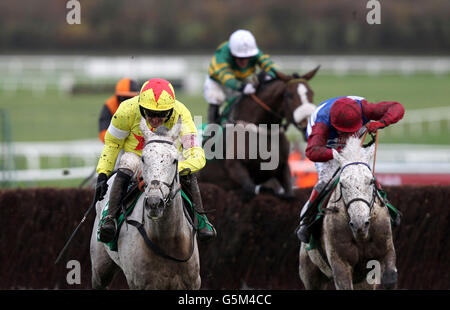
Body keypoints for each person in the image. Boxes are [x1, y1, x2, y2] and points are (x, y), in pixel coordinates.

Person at [95, 78, 217, 243]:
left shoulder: (182, 113)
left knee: (189, 173)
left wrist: (172, 168)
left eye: (161, 114)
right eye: (150, 113)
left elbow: (196, 155)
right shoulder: (126, 110)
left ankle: (202, 220)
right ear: (141, 107)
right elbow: (112, 144)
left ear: (170, 110)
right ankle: (109, 218)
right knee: (127, 163)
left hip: (168, 159)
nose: (155, 119)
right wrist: (103, 173)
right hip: (138, 157)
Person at [296, 96, 405, 243]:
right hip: (325, 144)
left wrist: (381, 123)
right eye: (343, 131)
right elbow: (312, 152)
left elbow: (397, 107)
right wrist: (335, 153)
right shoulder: (321, 122)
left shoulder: (365, 109)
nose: (347, 136)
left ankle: (386, 205)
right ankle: (307, 221)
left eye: (350, 131)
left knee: (361, 172)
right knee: (327, 179)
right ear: (334, 124)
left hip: (345, 125)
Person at [203, 29, 279, 126]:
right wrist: (242, 87)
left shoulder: (255, 52)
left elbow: (268, 64)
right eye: (241, 58)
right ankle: (211, 130)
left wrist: (272, 75)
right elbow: (225, 77)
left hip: (240, 79)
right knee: (216, 98)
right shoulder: (223, 53)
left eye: (248, 57)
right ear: (232, 53)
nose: (244, 61)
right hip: (217, 81)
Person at [98, 78, 139, 143]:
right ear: (117, 97)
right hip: (116, 144)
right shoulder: (110, 106)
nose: (126, 102)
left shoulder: (143, 106)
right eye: (123, 98)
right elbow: (103, 133)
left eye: (130, 98)